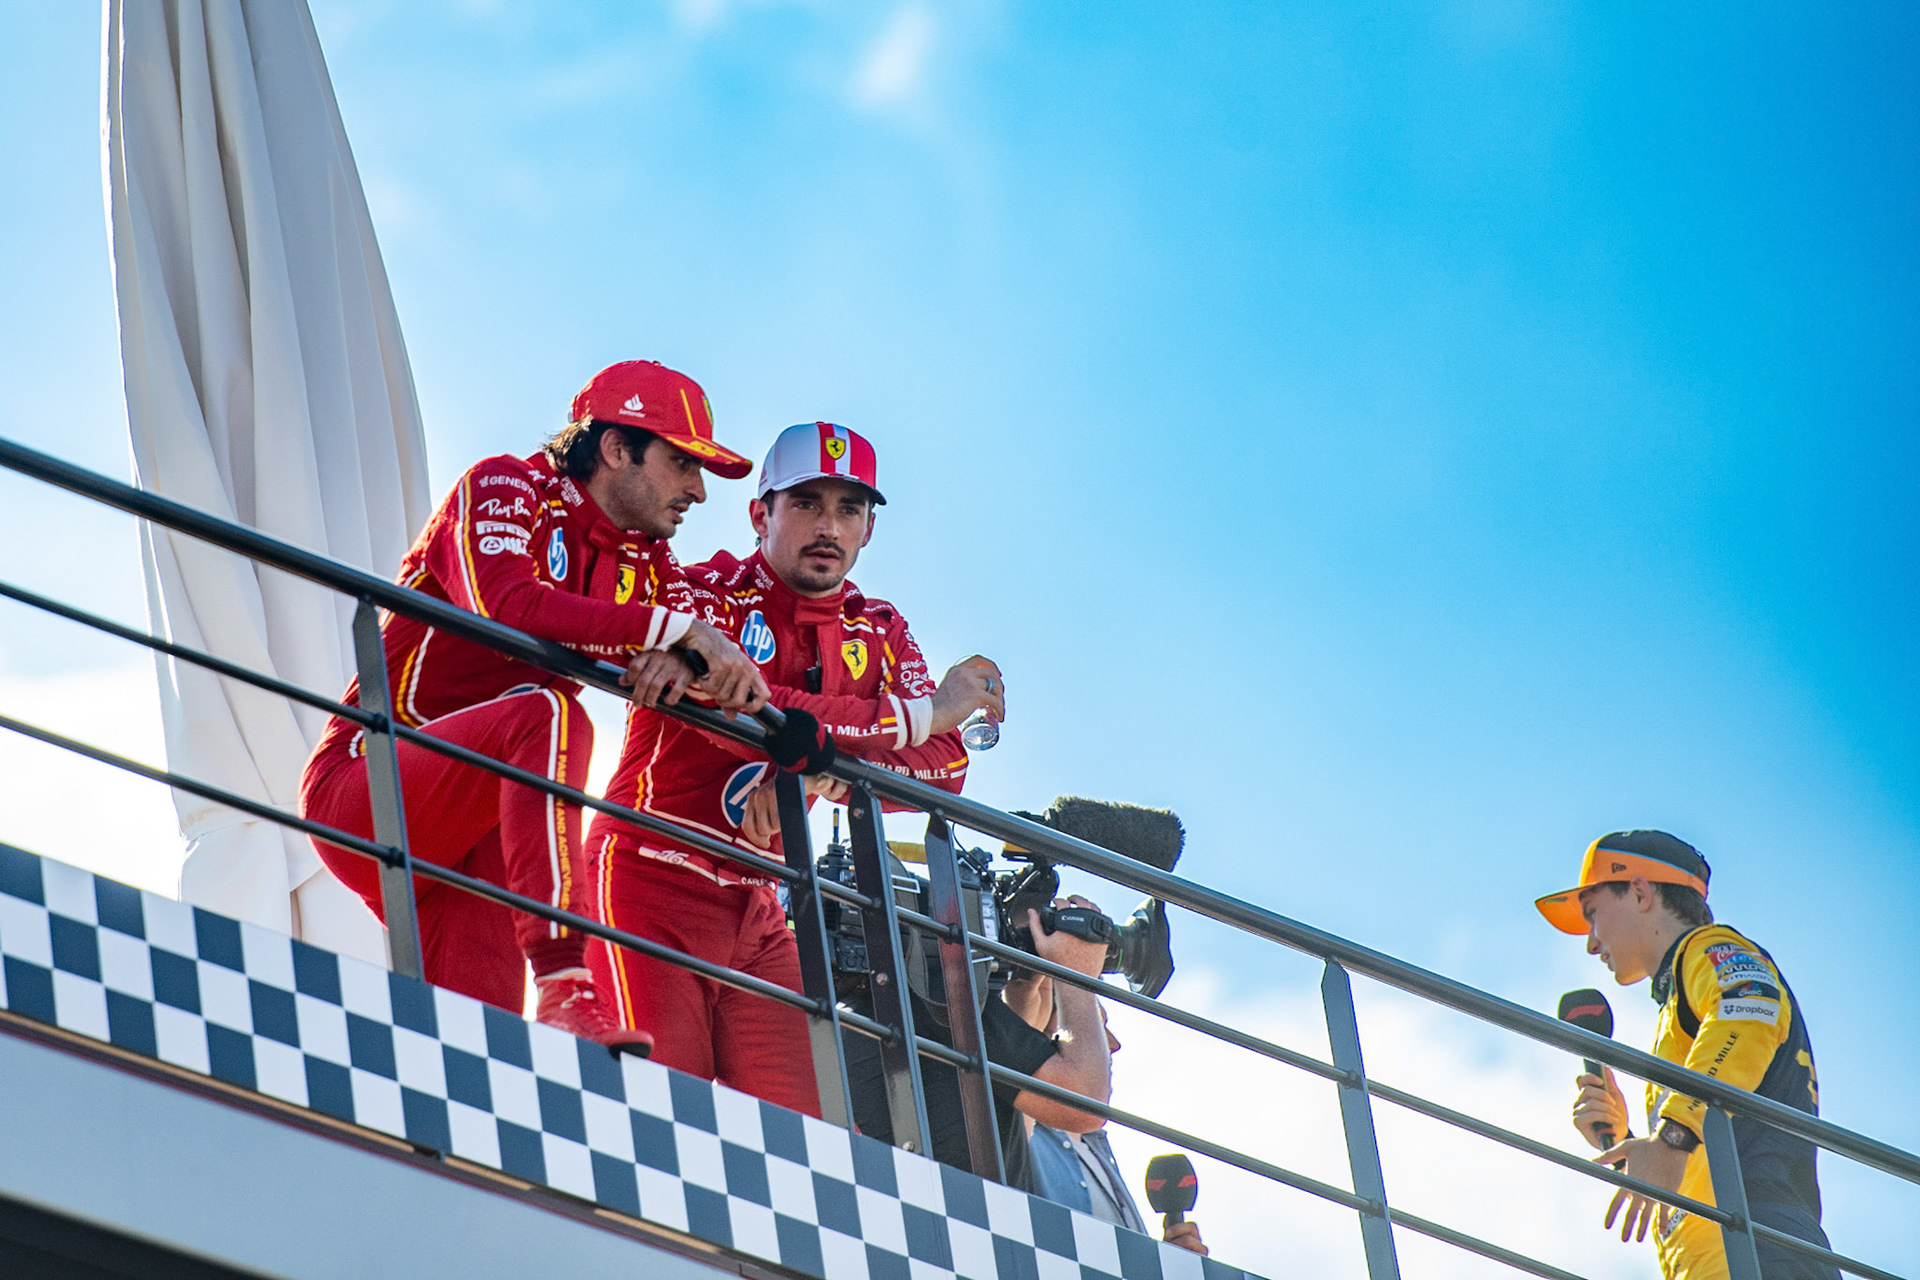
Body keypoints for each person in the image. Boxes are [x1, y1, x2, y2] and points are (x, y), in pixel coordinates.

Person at [299, 360, 768, 1050]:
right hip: (366, 783)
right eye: (681, 463)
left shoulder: (648, 564)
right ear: (615, 448)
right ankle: (567, 983)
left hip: (483, 826)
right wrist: (669, 632)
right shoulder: (504, 483)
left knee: (467, 1050)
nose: (698, 490)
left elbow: (730, 673)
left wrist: (686, 653)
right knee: (550, 713)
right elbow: (505, 603)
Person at [584, 421, 1005, 1112]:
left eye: (849, 509)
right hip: (645, 880)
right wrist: (912, 718)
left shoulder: (881, 628)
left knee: (814, 1148)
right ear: (760, 513)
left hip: (760, 909)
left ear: (869, 528)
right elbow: (739, 701)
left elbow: (948, 765)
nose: (828, 526)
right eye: (806, 502)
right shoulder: (701, 592)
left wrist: (816, 772)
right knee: (657, 1120)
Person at [1536, 830, 1839, 1280]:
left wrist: (1670, 1139)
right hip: (1731, 1255)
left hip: (1758, 1249)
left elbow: (1749, 1011)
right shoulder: (1679, 1001)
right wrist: (1627, 1137)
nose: (1591, 942)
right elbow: (1695, 1156)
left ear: (1639, 891)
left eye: (1593, 914)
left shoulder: (1711, 949)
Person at [845, 895, 1118, 1193]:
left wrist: (1024, 998)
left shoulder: (869, 1010)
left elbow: (1011, 1139)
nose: (1114, 1045)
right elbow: (1083, 1102)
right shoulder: (938, 998)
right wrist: (1077, 977)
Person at [1019, 982, 1210, 1255]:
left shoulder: (1094, 1146)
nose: (1114, 1044)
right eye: (1094, 1027)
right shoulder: (1020, 1134)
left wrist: (1166, 1264)